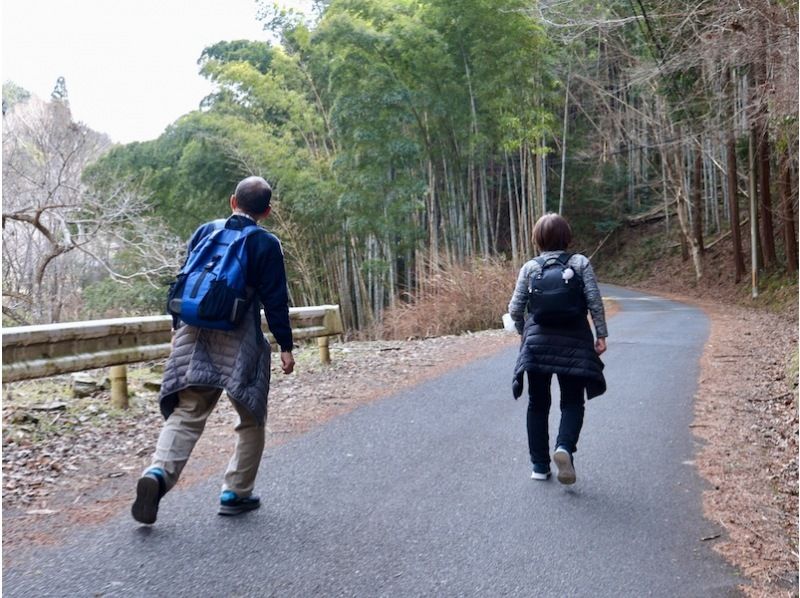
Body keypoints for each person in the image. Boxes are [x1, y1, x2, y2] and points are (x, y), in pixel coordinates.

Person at [132, 175, 295, 524]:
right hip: (240, 338)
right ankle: (235, 492)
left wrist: (177, 329)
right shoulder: (266, 244)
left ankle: (158, 474)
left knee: (188, 410)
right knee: (250, 417)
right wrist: (285, 345)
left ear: (231, 201)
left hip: (194, 334)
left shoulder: (205, 231)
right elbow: (275, 301)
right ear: (266, 211)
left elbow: (186, 278)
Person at [508, 213, 607, 485]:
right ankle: (563, 448)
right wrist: (601, 335)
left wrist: (523, 333)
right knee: (572, 401)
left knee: (538, 404)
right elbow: (594, 302)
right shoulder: (580, 263)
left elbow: (515, 309)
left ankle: (539, 466)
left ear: (537, 239)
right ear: (567, 237)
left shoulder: (530, 268)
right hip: (574, 342)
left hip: (537, 346)